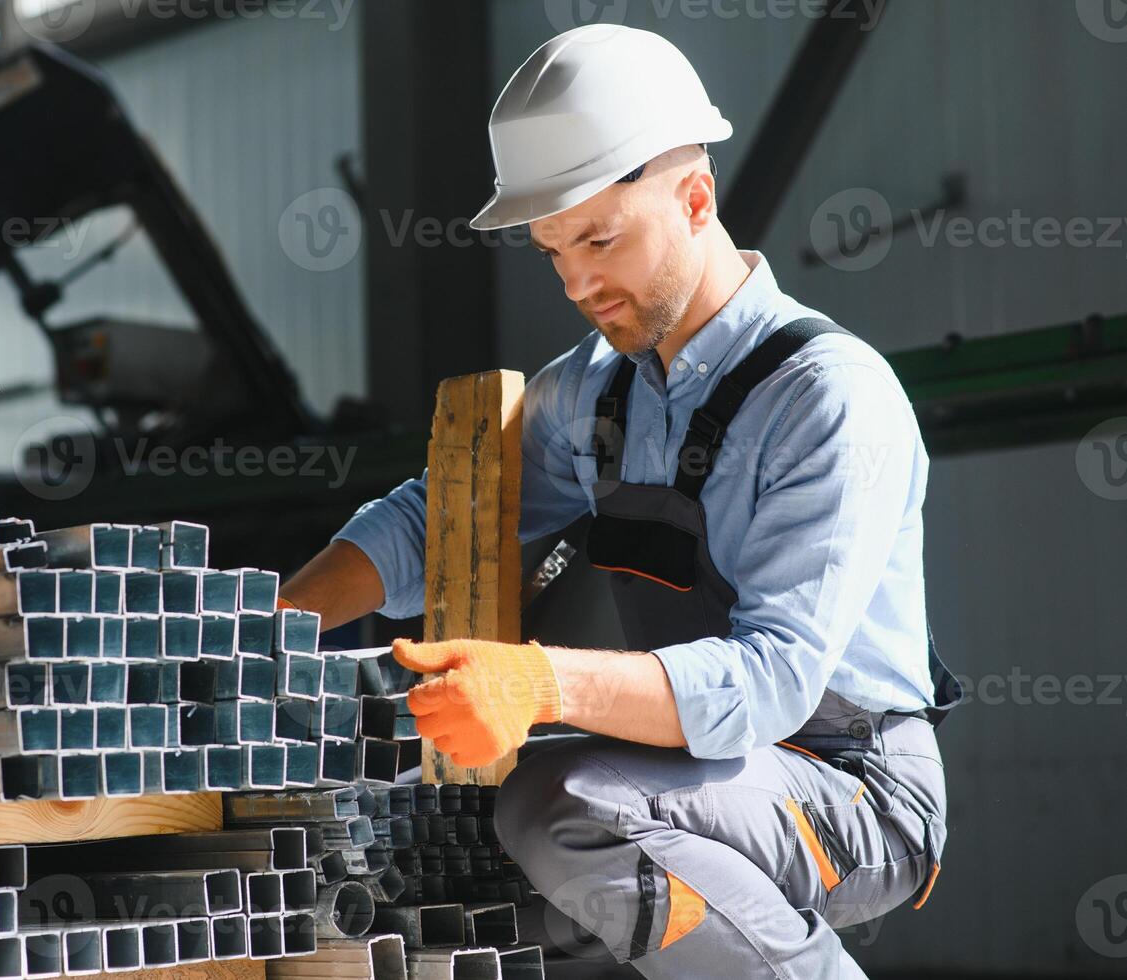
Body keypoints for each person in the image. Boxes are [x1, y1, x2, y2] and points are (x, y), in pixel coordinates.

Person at [281, 24, 959, 979]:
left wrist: (537, 683)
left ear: (694, 199)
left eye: (599, 238)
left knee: (569, 809)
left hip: (859, 792)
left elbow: (772, 681)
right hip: (702, 775)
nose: (577, 282)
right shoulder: (597, 392)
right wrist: (268, 623)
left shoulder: (827, 397)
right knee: (475, 870)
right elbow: (437, 523)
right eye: (554, 250)